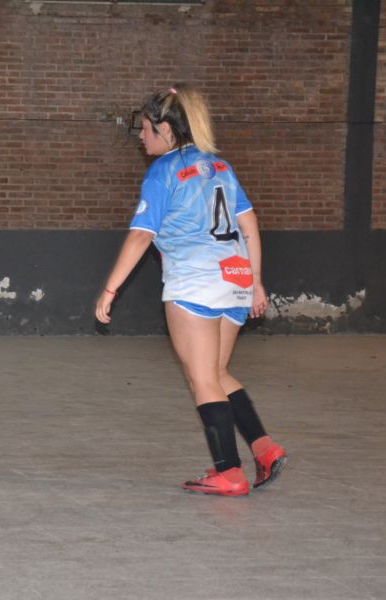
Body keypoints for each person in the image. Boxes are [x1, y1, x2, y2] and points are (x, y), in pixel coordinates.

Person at [95, 83, 287, 497]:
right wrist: (255, 282)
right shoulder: (220, 167)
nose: (141, 137)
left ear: (165, 128)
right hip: (234, 278)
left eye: (146, 129)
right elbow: (249, 225)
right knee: (215, 373)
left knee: (201, 379)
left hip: (194, 283)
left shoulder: (163, 172)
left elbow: (141, 237)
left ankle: (228, 471)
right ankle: (264, 448)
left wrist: (110, 290)